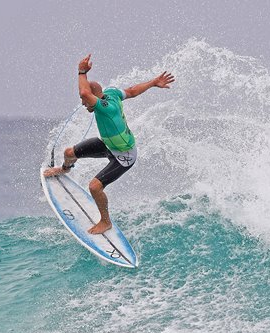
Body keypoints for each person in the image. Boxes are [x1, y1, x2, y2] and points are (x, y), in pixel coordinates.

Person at [43, 54, 175, 234]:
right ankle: (65, 169)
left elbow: (84, 92)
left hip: (124, 156)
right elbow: (132, 91)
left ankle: (106, 222)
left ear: (92, 97)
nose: (83, 103)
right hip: (108, 144)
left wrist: (81, 72)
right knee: (69, 153)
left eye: (85, 101)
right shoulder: (112, 93)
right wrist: (152, 82)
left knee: (95, 187)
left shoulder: (105, 108)